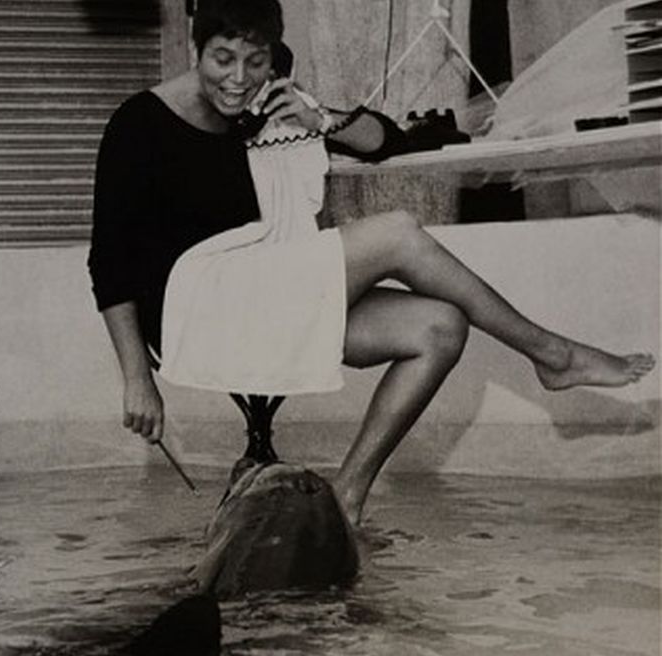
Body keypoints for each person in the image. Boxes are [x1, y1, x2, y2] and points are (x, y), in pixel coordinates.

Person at [87, 0, 655, 525]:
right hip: (195, 310)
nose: (238, 79)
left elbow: (390, 142)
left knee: (439, 328)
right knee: (398, 233)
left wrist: (320, 120)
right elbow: (109, 262)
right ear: (196, 49)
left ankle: (348, 496)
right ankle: (553, 355)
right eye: (223, 59)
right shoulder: (140, 123)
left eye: (255, 62)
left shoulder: (266, 106)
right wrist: (137, 379)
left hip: (265, 294)